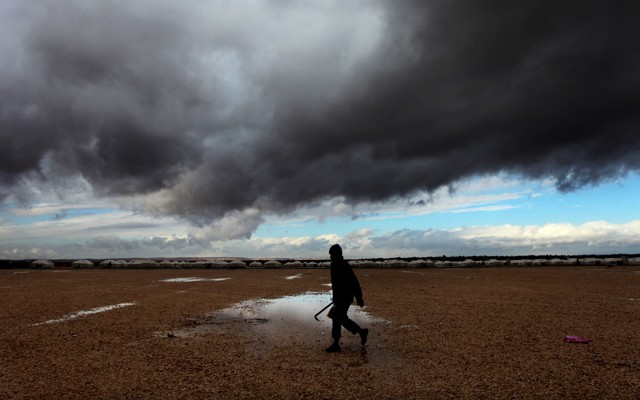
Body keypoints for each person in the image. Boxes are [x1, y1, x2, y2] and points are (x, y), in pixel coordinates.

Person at [325, 244, 369, 353]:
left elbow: (354, 282)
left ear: (337, 254)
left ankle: (360, 332)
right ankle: (336, 343)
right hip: (339, 298)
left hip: (345, 298)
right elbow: (336, 285)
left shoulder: (343, 266)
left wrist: (359, 297)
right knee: (337, 318)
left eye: (332, 255)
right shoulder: (335, 265)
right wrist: (335, 298)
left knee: (338, 317)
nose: (330, 257)